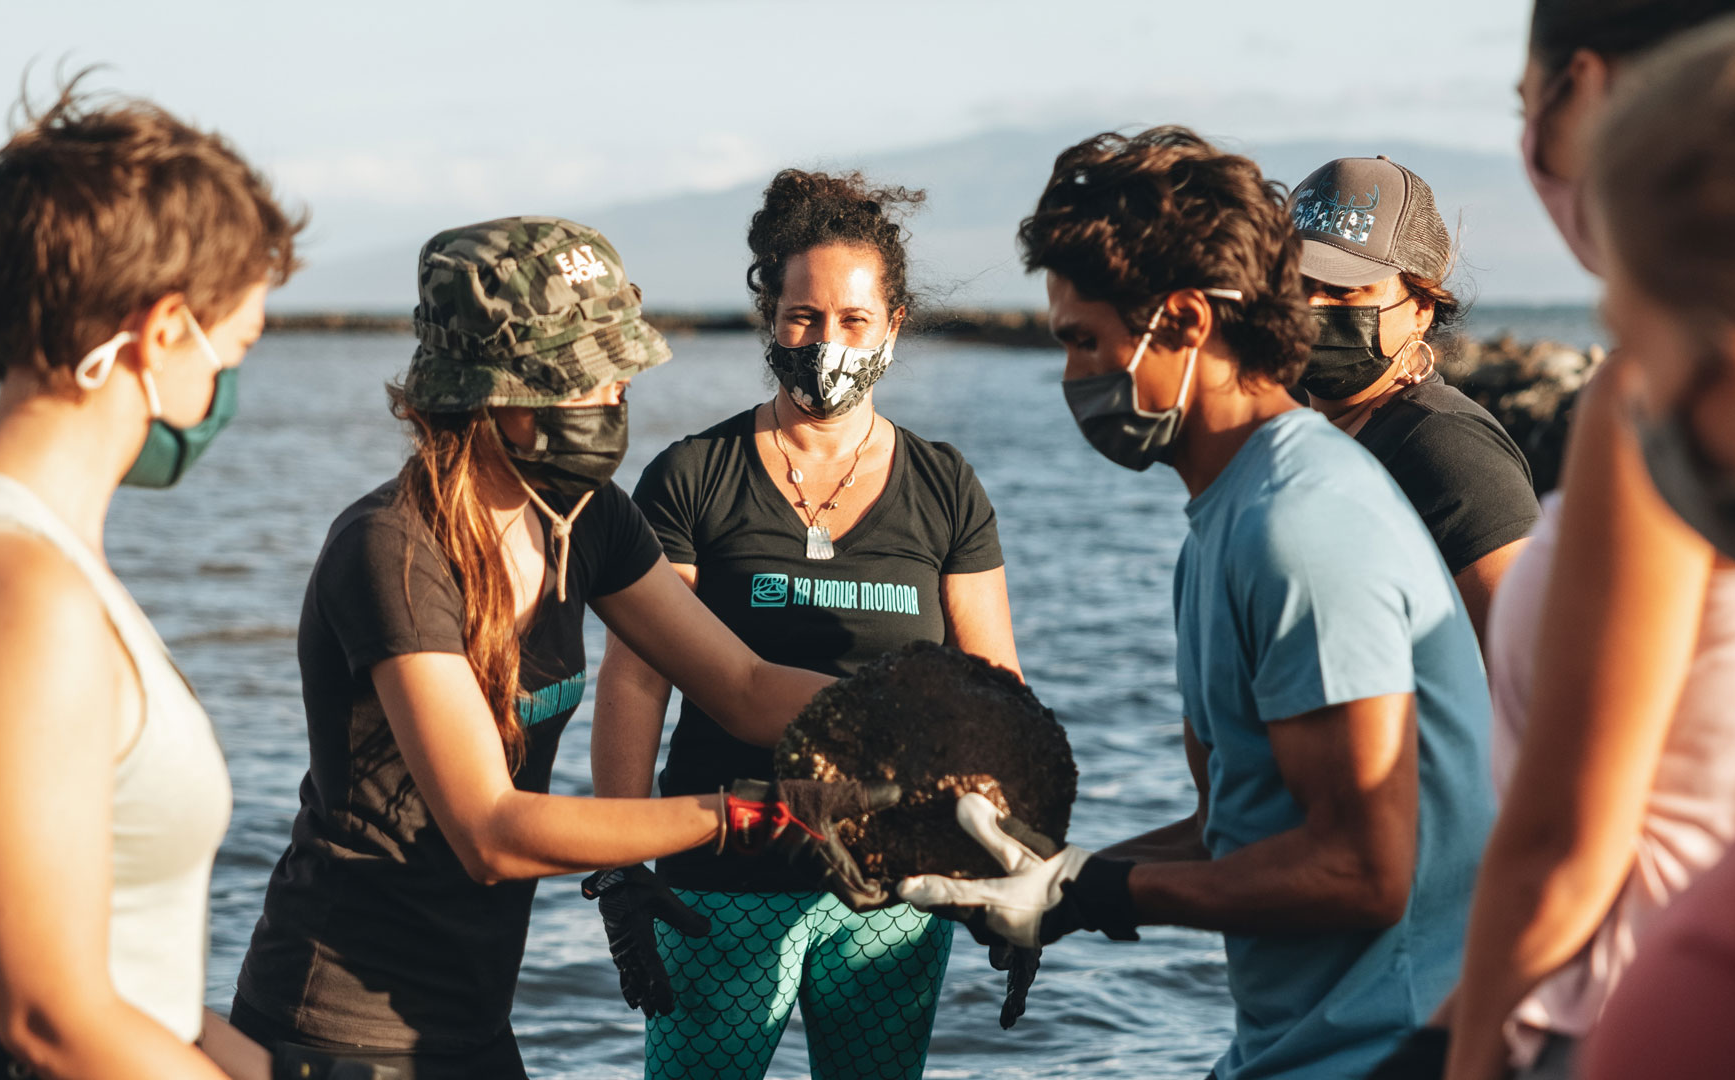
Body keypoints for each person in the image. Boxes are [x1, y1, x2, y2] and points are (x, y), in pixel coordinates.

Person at [896, 128, 1496, 1080]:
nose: (1072, 378)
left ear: (1181, 323)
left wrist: (1100, 895)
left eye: (1085, 341)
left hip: (1393, 1050)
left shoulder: (1301, 525)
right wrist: (1055, 878)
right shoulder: (1227, 520)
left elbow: (1365, 872)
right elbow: (1244, 826)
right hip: (1287, 1044)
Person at [229, 217, 890, 1080]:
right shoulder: (392, 548)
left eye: (620, 373)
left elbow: (742, 681)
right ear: (490, 394)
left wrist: (920, 727)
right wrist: (745, 814)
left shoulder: (589, 518)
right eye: (587, 378)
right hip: (339, 1028)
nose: (616, 397)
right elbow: (490, 832)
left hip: (475, 1021)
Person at [0, 85, 299, 1079]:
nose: (224, 392)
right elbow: (53, 1018)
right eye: (233, 353)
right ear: (162, 335)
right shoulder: (13, 591)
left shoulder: (17, 556)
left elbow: (124, 975)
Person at [589, 169, 1021, 1080]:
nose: (827, 342)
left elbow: (994, 692)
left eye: (854, 321)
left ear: (893, 326)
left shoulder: (945, 488)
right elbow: (635, 678)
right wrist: (623, 867)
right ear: (769, 319)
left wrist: (1014, 862)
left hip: (893, 895)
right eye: (803, 318)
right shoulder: (694, 476)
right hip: (720, 880)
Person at [1437, 3, 1735, 1079]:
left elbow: (1566, 840)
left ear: (1580, 85)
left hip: (1611, 999)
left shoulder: (1650, 412)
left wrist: (1470, 1043)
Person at [1291, 156, 1539, 648]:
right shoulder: (1304, 436)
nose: (1313, 307)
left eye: (1344, 290)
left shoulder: (1445, 450)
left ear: (1421, 309)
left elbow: (1528, 671)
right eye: (1295, 284)